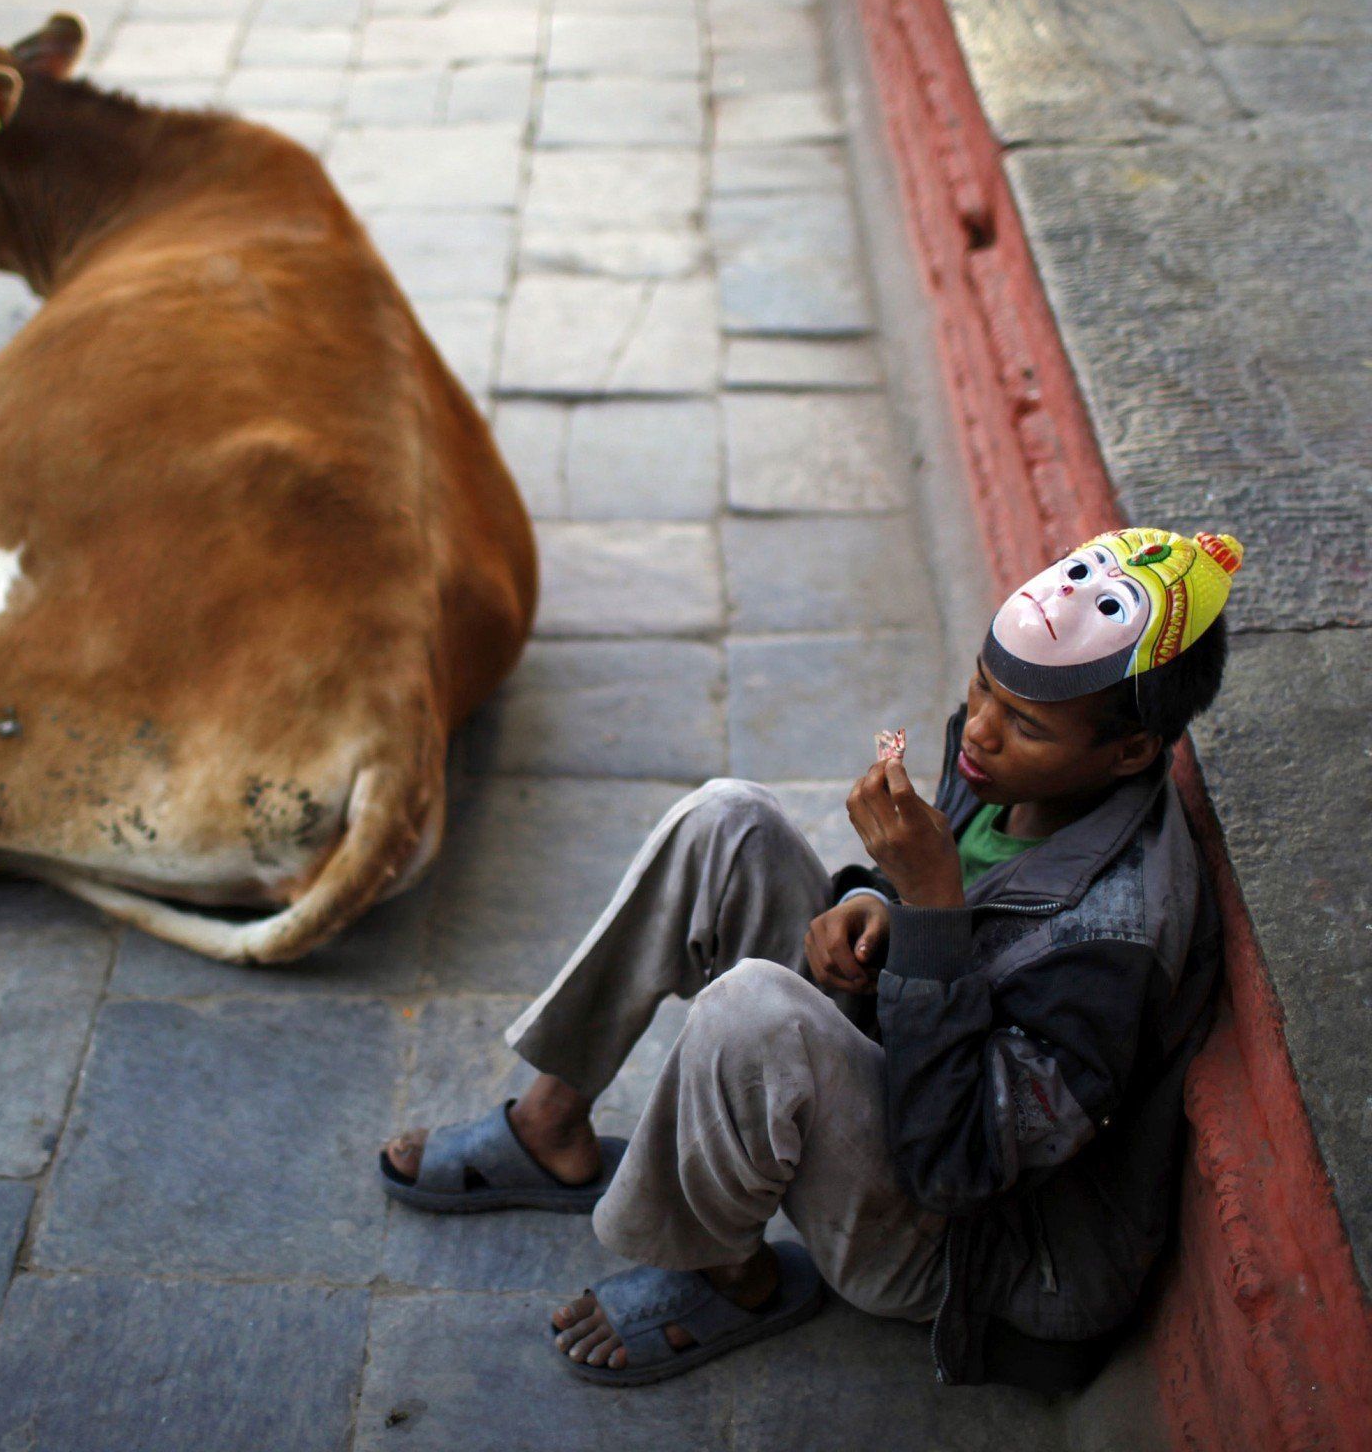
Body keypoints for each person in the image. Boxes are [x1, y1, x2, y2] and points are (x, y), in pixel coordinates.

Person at [378, 527, 1242, 1392]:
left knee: (753, 1012)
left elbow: (958, 1167)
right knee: (729, 822)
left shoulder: (1117, 942)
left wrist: (931, 908)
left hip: (982, 1261)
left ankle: (733, 1278)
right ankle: (550, 1126)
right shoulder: (1011, 769)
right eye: (981, 685)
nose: (978, 731)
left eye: (1023, 723)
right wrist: (881, 906)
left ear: (1129, 752)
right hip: (917, 1073)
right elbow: (957, 916)